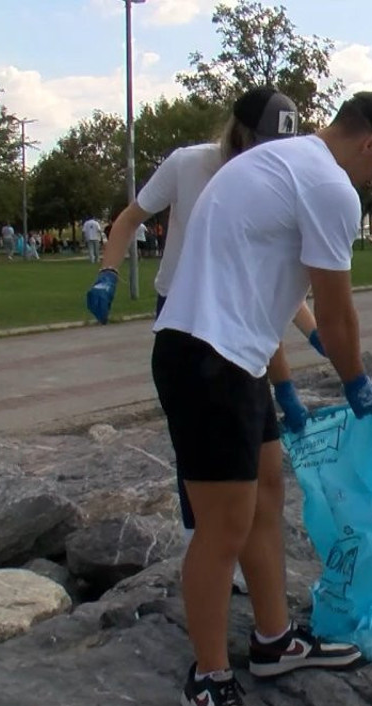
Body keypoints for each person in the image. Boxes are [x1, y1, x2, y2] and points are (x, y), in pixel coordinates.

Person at [151, 90, 372, 706]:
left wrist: (287, 387)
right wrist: (356, 382)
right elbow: (335, 308)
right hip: (207, 359)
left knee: (267, 491)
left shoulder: (285, 161)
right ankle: (207, 676)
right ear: (370, 144)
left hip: (231, 358)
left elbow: (256, 287)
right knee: (223, 528)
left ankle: (274, 639)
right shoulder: (328, 185)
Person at [88, 90, 320, 597]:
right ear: (239, 133)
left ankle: (240, 556)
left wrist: (305, 338)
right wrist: (108, 272)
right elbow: (130, 219)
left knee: (253, 451)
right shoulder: (191, 165)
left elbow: (260, 292)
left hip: (237, 319)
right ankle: (208, 549)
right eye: (260, 142)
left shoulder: (272, 180)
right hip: (183, 314)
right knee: (199, 448)